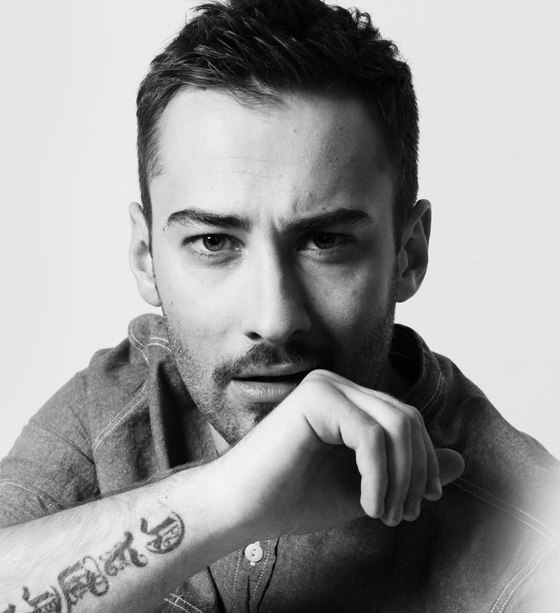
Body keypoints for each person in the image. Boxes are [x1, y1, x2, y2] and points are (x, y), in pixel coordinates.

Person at [0, 0, 558, 611]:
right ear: (145, 256)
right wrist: (223, 502)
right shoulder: (113, 408)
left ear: (409, 254)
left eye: (326, 242)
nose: (274, 319)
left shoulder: (533, 533)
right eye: (214, 243)